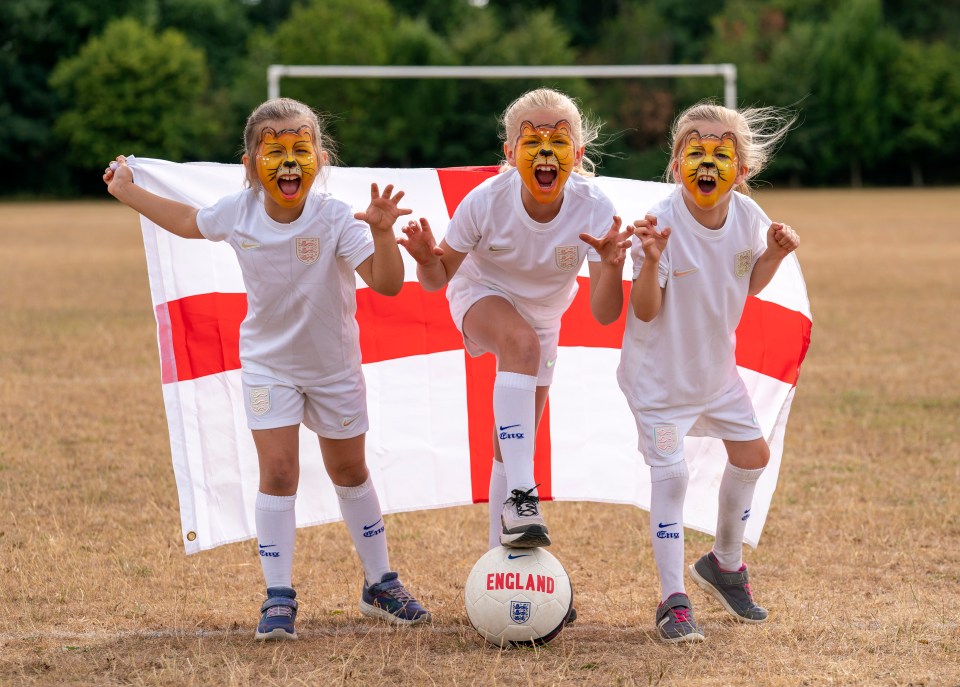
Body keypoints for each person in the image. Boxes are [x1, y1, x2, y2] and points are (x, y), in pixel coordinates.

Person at [103, 97, 431, 640]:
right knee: (279, 473)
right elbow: (189, 222)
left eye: (300, 149)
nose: (288, 162)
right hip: (267, 367)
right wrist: (128, 190)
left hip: (334, 370)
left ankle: (380, 584)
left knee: (349, 471)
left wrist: (380, 233)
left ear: (320, 159)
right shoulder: (238, 210)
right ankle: (278, 596)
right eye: (273, 150)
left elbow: (389, 282)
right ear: (250, 162)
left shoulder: (334, 218)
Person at [398, 87, 630, 552]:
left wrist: (614, 266)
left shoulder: (595, 207)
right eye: (531, 142)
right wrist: (425, 259)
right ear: (509, 153)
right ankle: (525, 498)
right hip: (481, 294)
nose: (545, 152)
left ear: (578, 153)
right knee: (522, 346)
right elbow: (437, 278)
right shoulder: (485, 201)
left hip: (545, 317)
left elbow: (605, 314)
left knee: (516, 440)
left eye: (558, 142)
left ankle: (496, 561)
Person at [616, 101, 799, 642]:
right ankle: (673, 599)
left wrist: (774, 255)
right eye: (695, 148)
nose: (708, 160)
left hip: (716, 377)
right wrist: (650, 260)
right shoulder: (661, 223)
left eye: (722, 152)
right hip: (660, 384)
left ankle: (723, 563)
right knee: (671, 476)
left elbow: (748, 283)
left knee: (752, 454)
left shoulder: (748, 218)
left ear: (741, 170)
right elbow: (645, 310)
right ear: (676, 164)